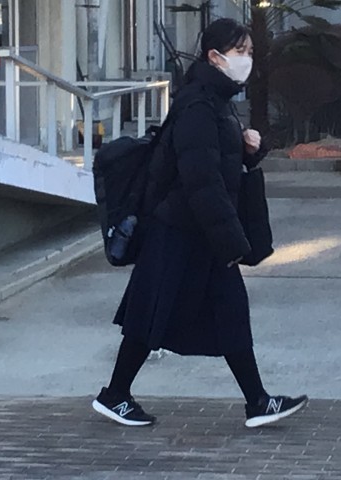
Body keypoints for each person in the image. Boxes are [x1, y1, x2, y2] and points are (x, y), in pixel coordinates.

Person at [92, 18, 307, 428]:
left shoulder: (215, 102)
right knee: (151, 316)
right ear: (215, 56)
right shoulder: (198, 106)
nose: (247, 60)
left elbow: (216, 167)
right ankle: (116, 394)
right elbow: (201, 181)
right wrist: (232, 242)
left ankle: (257, 401)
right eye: (240, 52)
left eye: (250, 52)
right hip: (177, 231)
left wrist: (248, 152)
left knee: (224, 313)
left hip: (197, 233)